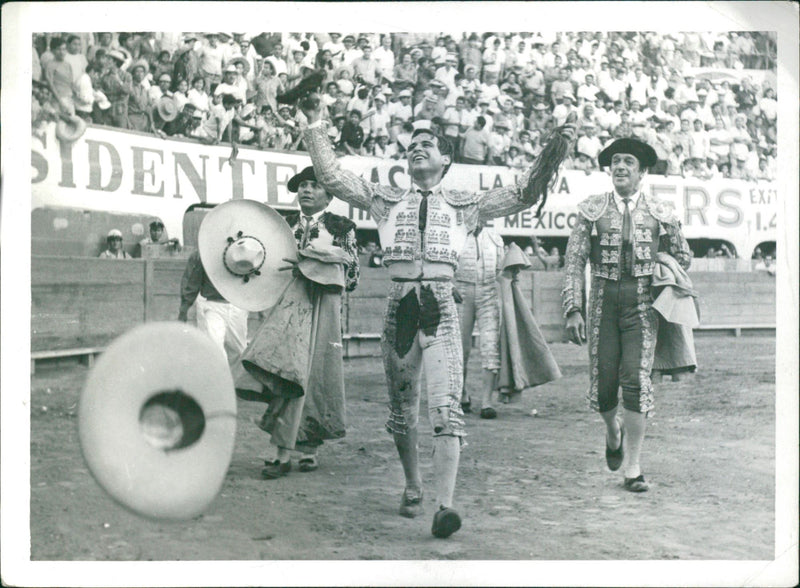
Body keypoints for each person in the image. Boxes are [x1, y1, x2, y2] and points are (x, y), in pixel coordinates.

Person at [300, 94, 575, 538]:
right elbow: (331, 175)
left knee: (446, 409)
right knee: (402, 412)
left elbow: (524, 193)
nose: (417, 147)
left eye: (428, 143)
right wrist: (314, 125)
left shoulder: (468, 204)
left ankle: (444, 505)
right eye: (412, 143)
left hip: (442, 306)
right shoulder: (383, 198)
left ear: (446, 159)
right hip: (399, 307)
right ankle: (413, 483)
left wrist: (553, 150)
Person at [561, 137, 692, 493]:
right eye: (615, 161)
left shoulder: (660, 213)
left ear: (642, 172)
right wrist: (573, 308)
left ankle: (633, 466)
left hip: (642, 305)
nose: (620, 166)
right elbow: (573, 262)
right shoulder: (591, 209)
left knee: (636, 383)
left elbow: (683, 255)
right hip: (602, 304)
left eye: (628, 162)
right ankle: (612, 429)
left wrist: (664, 264)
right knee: (604, 389)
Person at [242, 166, 360, 479]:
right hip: (285, 310)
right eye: (302, 186)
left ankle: (307, 448)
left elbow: (353, 274)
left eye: (314, 185)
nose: (306, 190)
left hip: (322, 308)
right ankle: (282, 452)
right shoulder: (282, 226)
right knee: (287, 373)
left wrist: (314, 262)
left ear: (329, 195)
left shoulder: (342, 226)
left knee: (316, 376)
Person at [454, 224, 505, 418]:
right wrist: (449, 285)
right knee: (460, 348)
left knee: (490, 346)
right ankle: (461, 394)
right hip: (462, 292)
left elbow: (501, 270)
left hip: (488, 294)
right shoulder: (455, 234)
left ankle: (486, 401)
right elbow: (445, 263)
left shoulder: (495, 237)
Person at [178, 250, 248, 366]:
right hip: (213, 305)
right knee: (214, 348)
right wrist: (184, 308)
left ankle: (236, 382)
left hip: (238, 307)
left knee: (239, 351)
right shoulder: (204, 253)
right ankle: (222, 381)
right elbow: (193, 282)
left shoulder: (243, 248)